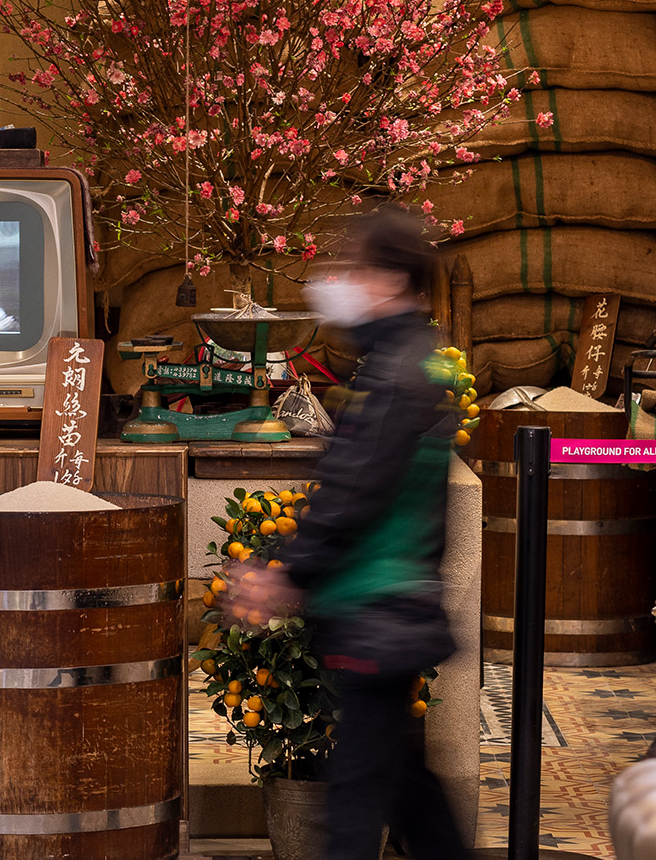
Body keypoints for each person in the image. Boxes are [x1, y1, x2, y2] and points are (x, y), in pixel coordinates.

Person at [227, 205, 468, 860]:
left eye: (356, 272)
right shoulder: (408, 360)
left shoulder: (397, 375)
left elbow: (356, 490)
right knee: (397, 778)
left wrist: (287, 571)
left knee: (360, 788)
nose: (343, 285)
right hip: (390, 604)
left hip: (376, 604)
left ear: (390, 280)